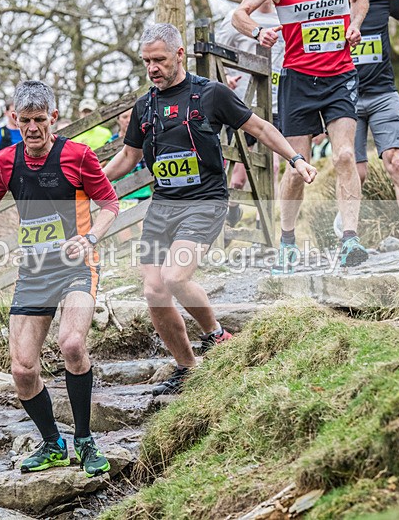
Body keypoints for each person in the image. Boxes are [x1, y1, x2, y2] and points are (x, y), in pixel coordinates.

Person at [103, 24, 316, 396]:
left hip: (205, 201)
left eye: (160, 60)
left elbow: (261, 128)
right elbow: (128, 156)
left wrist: (296, 158)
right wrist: (88, 184)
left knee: (174, 277)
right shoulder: (145, 106)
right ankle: (187, 367)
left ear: (180, 55)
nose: (153, 68)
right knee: (154, 291)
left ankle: (216, 335)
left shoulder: (211, 94)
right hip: (163, 205)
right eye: (147, 61)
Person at [0, 81, 119, 477]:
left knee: (73, 343)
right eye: (25, 120)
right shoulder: (5, 162)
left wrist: (91, 237)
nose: (32, 128)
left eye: (40, 120)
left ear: (54, 119)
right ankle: (52, 444)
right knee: (22, 371)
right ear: (14, 119)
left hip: (77, 267)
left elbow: (111, 204)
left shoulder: (77, 156)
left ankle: (85, 440)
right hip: (33, 273)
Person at [233, 0, 371, 271]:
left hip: (340, 75)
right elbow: (238, 14)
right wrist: (258, 32)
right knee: (298, 167)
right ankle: (287, 242)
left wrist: (355, 25)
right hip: (297, 80)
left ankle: (350, 239)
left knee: (345, 155)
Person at [335, 0, 399, 251]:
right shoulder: (327, 1)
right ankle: (346, 226)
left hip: (382, 94)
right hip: (344, 96)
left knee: (397, 162)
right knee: (356, 171)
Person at [216, 0, 286, 226]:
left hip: (275, 103)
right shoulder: (235, 19)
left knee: (273, 166)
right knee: (238, 177)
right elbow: (216, 57)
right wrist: (225, 78)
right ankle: (232, 210)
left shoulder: (284, 16)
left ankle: (263, 223)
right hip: (242, 105)